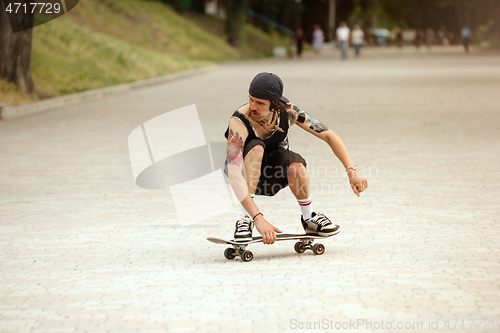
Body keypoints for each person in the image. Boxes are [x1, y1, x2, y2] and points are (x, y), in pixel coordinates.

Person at [224, 73, 368, 244]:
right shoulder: (239, 121)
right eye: (250, 99)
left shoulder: (289, 112)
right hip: (244, 175)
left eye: (260, 103)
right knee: (256, 149)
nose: (253, 106)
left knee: (296, 165)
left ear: (275, 105)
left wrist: (352, 171)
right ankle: (245, 219)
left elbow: (328, 135)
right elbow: (234, 175)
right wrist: (258, 218)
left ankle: (309, 218)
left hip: (274, 172)